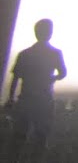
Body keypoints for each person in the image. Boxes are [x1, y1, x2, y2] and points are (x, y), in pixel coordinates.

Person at [5, 18, 67, 161]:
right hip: (44, 100)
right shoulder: (55, 53)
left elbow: (16, 78)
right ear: (50, 33)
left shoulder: (25, 54)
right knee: (40, 138)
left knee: (19, 137)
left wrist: (11, 98)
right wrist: (51, 78)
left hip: (26, 99)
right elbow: (63, 73)